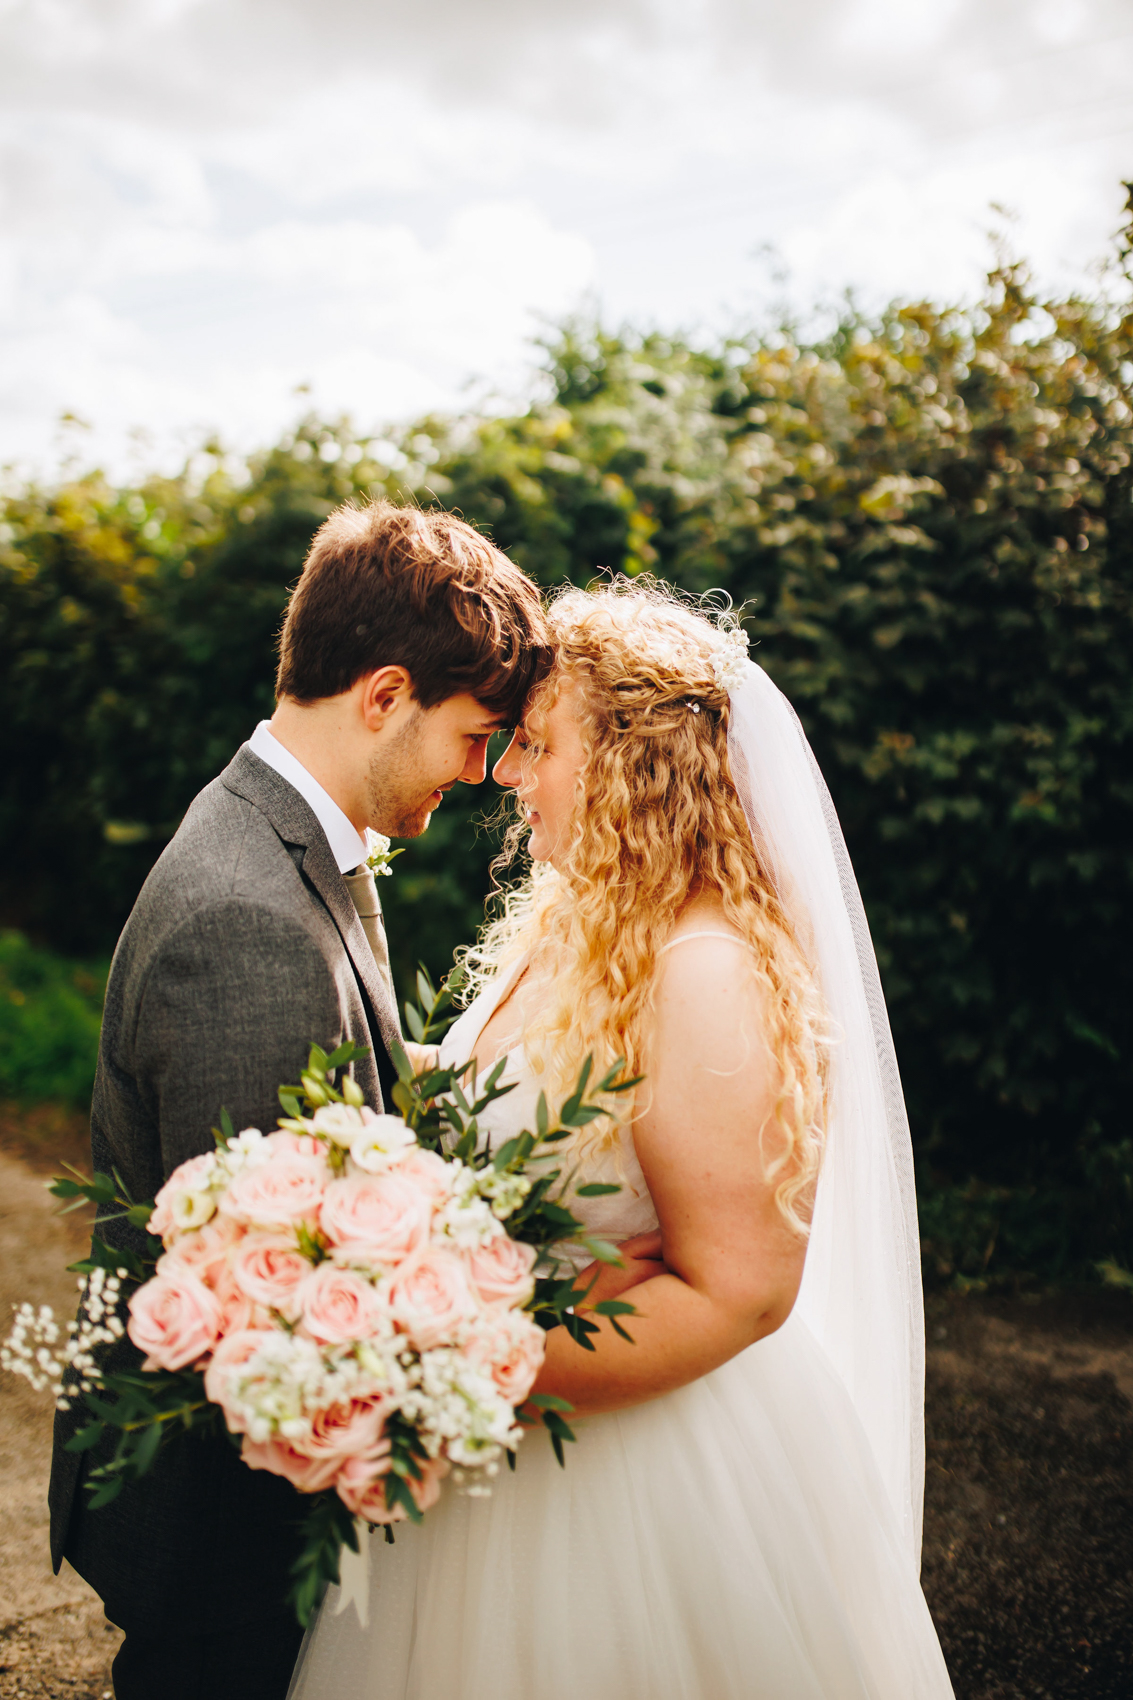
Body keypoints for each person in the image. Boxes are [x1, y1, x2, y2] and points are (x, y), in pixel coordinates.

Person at [289, 581, 955, 1699]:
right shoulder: (578, 928)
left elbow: (740, 1288)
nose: (505, 774)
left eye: (538, 745)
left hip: (640, 1482)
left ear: (633, 760)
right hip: (501, 1457)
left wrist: (465, 1354)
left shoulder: (705, 970)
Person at [48, 500, 549, 1700]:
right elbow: (281, 1300)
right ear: (383, 694)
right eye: (474, 735)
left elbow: (341, 1078)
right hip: (231, 1536)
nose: (481, 774)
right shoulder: (245, 917)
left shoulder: (289, 840)